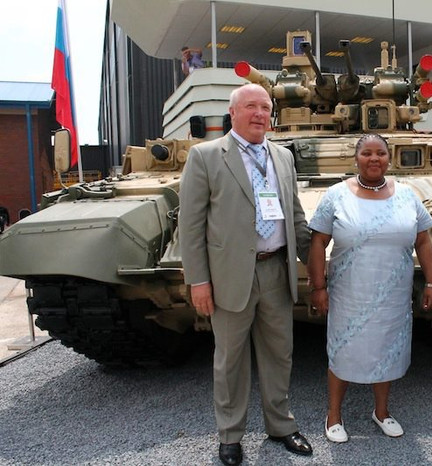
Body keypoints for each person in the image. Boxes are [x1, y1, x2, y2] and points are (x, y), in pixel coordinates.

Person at [179, 84, 312, 466]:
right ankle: (230, 435)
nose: (259, 113)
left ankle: (281, 425)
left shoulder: (282, 156)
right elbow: (191, 225)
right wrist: (198, 280)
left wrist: (316, 266)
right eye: (250, 106)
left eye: (265, 107)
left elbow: (294, 214)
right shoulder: (206, 156)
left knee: (279, 354)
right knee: (230, 360)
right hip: (228, 276)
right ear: (233, 112)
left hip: (276, 270)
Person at [306, 133, 432, 443]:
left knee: (386, 350)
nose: (374, 158)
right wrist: (318, 287)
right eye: (367, 153)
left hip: (393, 295)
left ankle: (381, 412)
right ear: (356, 158)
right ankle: (334, 415)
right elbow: (318, 242)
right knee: (343, 352)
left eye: (380, 153)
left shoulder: (407, 195)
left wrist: (431, 282)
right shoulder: (336, 195)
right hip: (349, 294)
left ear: (389, 158)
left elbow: (423, 240)